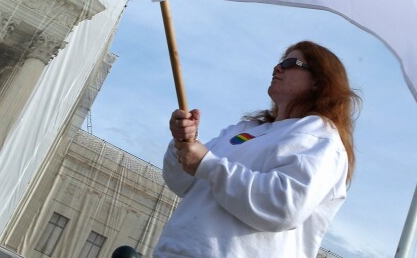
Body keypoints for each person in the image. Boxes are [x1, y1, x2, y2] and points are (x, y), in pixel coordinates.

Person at [154, 41, 361, 257]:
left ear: (318, 82)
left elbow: (283, 206)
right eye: (280, 62)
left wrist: (207, 164)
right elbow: (181, 183)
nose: (277, 68)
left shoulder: (321, 138)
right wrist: (184, 143)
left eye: (291, 63)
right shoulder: (245, 129)